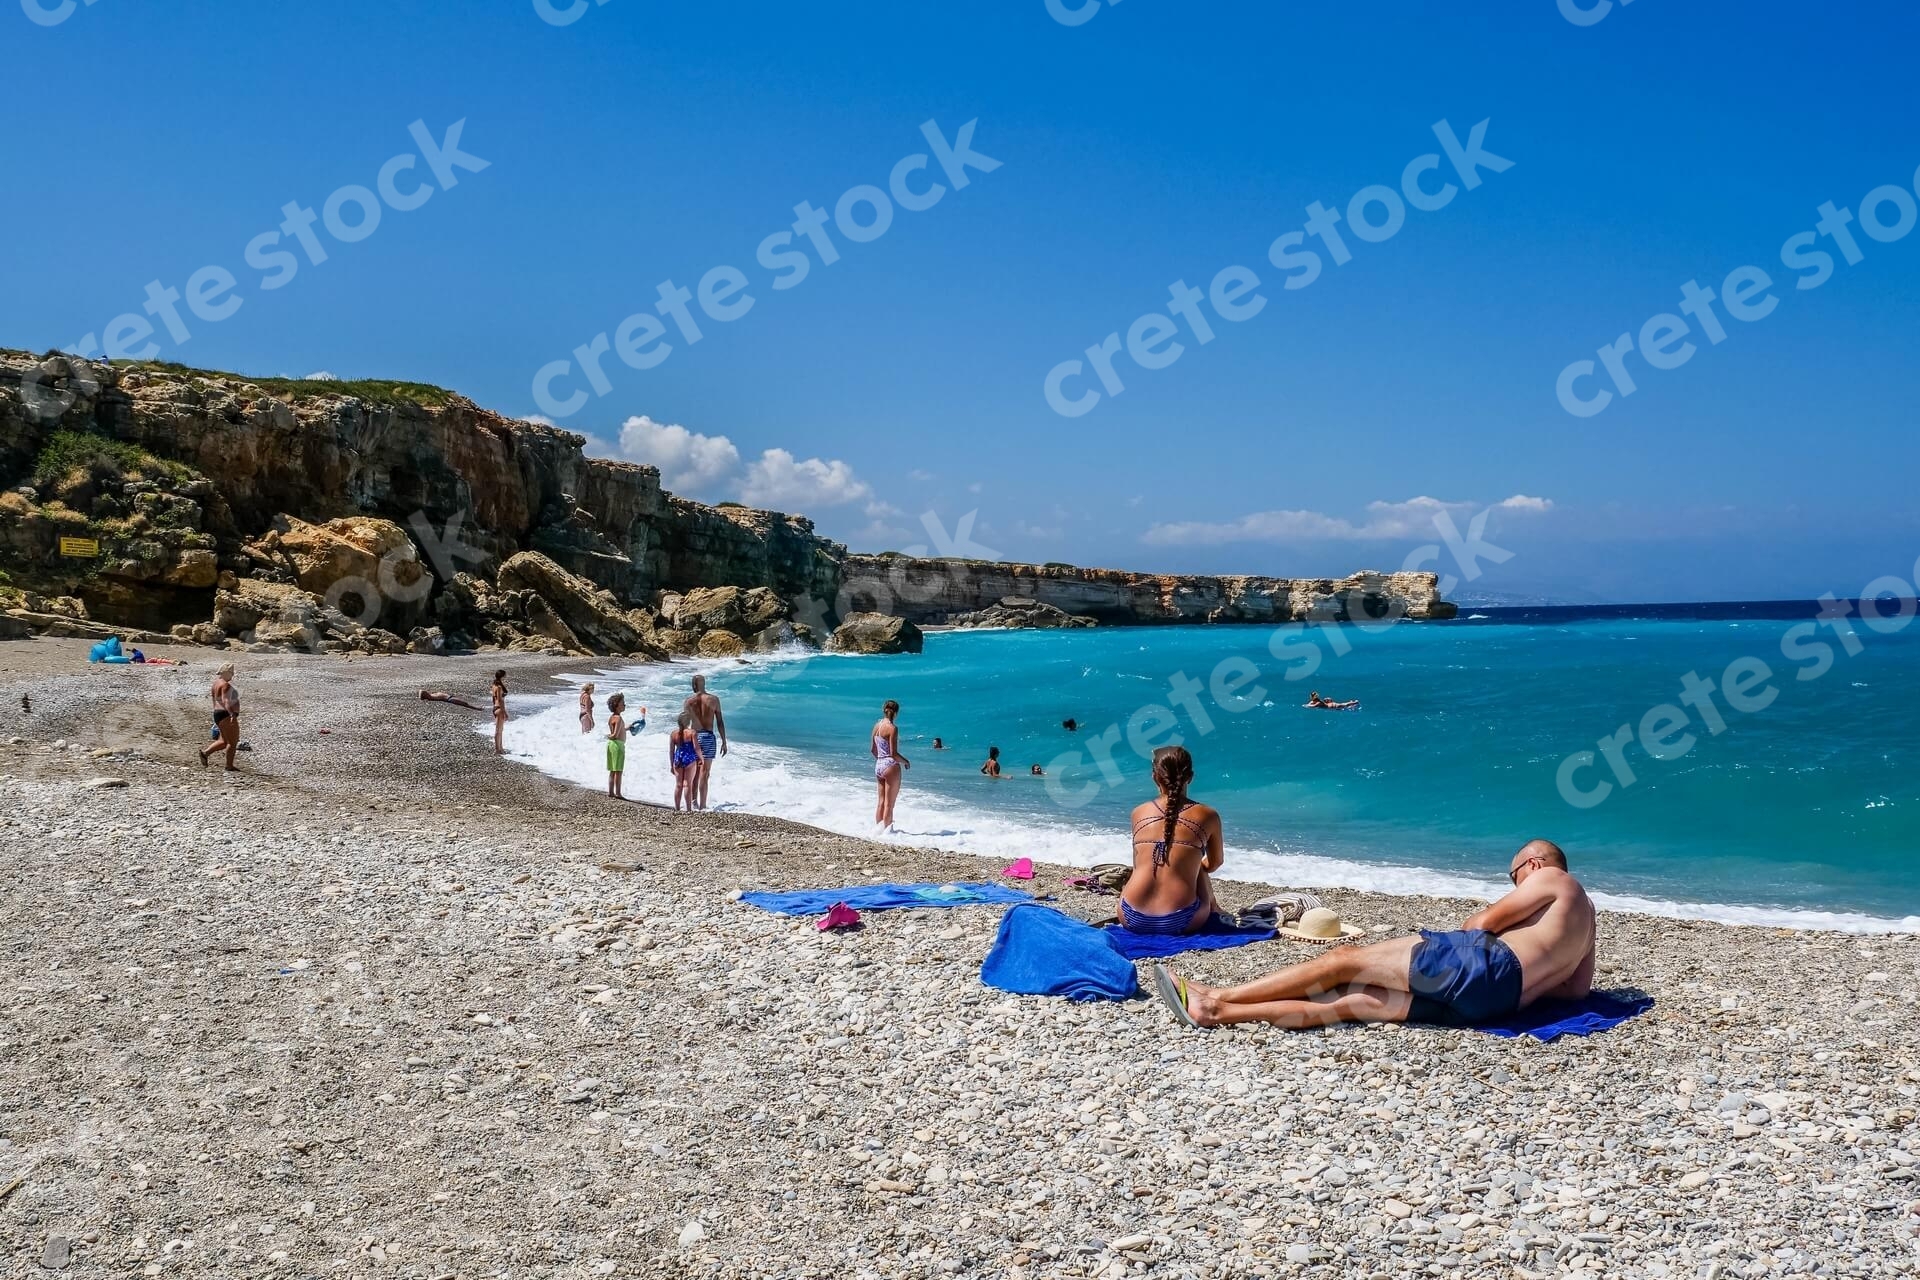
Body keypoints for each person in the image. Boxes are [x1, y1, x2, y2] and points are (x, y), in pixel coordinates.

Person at [1155, 840, 1596, 1030]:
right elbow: (1575, 993)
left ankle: (1219, 992)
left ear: (1532, 865)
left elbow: (1477, 927)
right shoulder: (1588, 921)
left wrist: (1500, 936)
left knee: (1343, 960)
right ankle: (1215, 1012)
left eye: (1513, 875)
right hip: (1497, 1005)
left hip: (1481, 965)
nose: (1516, 883)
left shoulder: (1553, 878)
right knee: (1350, 1003)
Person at [1118, 746, 1224, 935]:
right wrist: (1189, 864)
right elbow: (1215, 863)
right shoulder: (1209, 815)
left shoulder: (1138, 812)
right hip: (1182, 920)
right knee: (1196, 863)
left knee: (1146, 860)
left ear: (1154, 777)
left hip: (1130, 915)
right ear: (1190, 777)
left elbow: (1137, 863)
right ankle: (1215, 908)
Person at [682, 675, 726, 810]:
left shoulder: (688, 701)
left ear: (694, 685)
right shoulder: (714, 700)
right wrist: (724, 741)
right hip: (707, 737)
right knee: (705, 773)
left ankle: (693, 801)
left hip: (694, 736)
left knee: (693, 772)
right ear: (704, 684)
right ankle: (703, 805)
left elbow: (684, 722)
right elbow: (719, 721)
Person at [871, 699, 909, 831]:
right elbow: (894, 754)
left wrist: (882, 760)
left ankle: (878, 831)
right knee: (889, 804)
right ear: (896, 712)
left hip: (879, 764)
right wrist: (906, 762)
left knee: (881, 802)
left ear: (884, 710)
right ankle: (888, 834)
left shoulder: (877, 726)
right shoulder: (892, 728)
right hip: (890, 765)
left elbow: (873, 750)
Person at [198, 662, 241, 770]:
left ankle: (205, 753)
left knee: (223, 741)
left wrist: (216, 716)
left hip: (218, 713)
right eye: (231, 673)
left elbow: (215, 700)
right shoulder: (225, 685)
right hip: (226, 714)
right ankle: (229, 766)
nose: (232, 675)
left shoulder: (215, 684)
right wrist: (232, 714)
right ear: (226, 672)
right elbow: (226, 701)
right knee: (232, 742)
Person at [668, 713, 704, 812]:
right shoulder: (692, 732)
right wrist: (702, 759)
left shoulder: (673, 733)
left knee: (678, 785)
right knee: (688, 784)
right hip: (689, 759)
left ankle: (677, 808)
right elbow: (696, 748)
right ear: (688, 722)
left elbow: (671, 751)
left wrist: (671, 765)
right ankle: (688, 809)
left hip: (678, 759)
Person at [605, 693, 627, 799]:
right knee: (618, 770)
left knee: (612, 770)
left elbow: (616, 730)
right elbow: (615, 735)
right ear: (617, 705)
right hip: (618, 745)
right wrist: (609, 736)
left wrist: (628, 728)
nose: (624, 705)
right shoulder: (618, 718)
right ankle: (618, 793)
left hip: (611, 745)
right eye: (623, 703)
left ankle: (611, 792)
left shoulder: (612, 717)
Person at [491, 670, 509, 754]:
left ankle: (500, 748)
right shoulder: (498, 687)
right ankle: (497, 749)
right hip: (499, 708)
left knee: (500, 730)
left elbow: (494, 699)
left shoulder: (494, 685)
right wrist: (504, 712)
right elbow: (500, 700)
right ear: (502, 676)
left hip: (495, 707)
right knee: (498, 730)